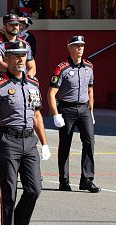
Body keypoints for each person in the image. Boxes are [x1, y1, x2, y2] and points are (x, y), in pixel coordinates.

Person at [0, 41, 51, 225]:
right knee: (9, 192)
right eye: (16, 55)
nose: (21, 59)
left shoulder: (33, 84)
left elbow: (37, 115)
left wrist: (44, 143)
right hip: (8, 141)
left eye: (23, 55)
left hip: (29, 141)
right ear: (7, 58)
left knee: (34, 189)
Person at [47, 36, 100, 193]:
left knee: (89, 141)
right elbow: (51, 93)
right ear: (69, 48)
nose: (80, 48)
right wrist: (55, 114)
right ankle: (64, 180)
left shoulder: (89, 67)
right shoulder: (62, 68)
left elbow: (90, 90)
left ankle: (87, 179)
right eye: (76, 46)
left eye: (82, 45)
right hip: (66, 109)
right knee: (65, 144)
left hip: (84, 109)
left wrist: (91, 110)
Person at [0, 14, 36, 78]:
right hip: (3, 83)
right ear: (4, 27)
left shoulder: (25, 45)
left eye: (16, 25)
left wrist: (26, 80)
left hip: (21, 83)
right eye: (11, 25)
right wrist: (16, 72)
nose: (15, 27)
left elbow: (32, 67)